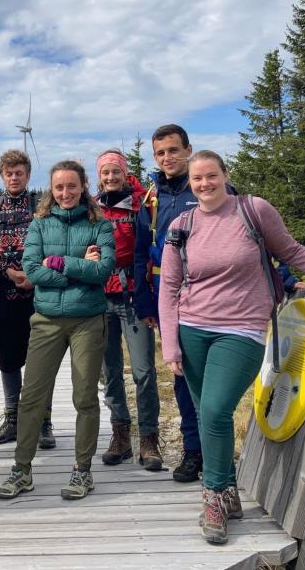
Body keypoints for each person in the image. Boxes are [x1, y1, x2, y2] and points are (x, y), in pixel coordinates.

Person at [158, 150, 305, 544]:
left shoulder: (253, 210)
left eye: (211, 176)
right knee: (206, 413)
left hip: (243, 329)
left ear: (225, 175)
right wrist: (170, 344)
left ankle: (212, 496)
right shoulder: (182, 224)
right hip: (192, 327)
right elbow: (168, 285)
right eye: (197, 179)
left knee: (215, 409)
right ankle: (228, 490)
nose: (204, 184)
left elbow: (291, 251)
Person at [0, 160, 116, 500]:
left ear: (83, 187)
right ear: (52, 189)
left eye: (72, 186)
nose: (65, 193)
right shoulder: (40, 224)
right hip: (46, 320)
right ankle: (22, 469)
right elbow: (32, 269)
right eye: (59, 187)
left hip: (87, 321)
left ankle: (82, 470)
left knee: (84, 397)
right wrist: (81, 268)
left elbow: (104, 270)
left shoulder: (98, 224)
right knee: (31, 397)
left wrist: (59, 262)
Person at [133, 124, 203, 482]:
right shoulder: (151, 200)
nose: (167, 158)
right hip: (168, 294)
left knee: (212, 376)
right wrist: (144, 303)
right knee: (180, 372)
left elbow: (250, 237)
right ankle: (193, 451)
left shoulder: (208, 186)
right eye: (160, 153)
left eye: (173, 150)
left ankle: (213, 449)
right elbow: (140, 253)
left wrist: (283, 279)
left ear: (188, 150)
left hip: (210, 293)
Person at [0, 150, 56, 449]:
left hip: (40, 297)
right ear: (2, 175)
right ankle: (13, 419)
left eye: (19, 172)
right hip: (1, 296)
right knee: (8, 362)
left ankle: (43, 421)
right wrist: (8, 271)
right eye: (9, 173)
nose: (14, 177)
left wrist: (33, 273)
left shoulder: (43, 207)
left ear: (27, 174)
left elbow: (54, 242)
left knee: (42, 362)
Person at [95, 149, 162, 471]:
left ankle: (149, 437)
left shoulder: (143, 203)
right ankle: (120, 433)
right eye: (105, 173)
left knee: (144, 371)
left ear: (124, 173)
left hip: (135, 295)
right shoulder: (93, 207)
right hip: (101, 296)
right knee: (109, 372)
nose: (110, 178)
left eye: (115, 172)